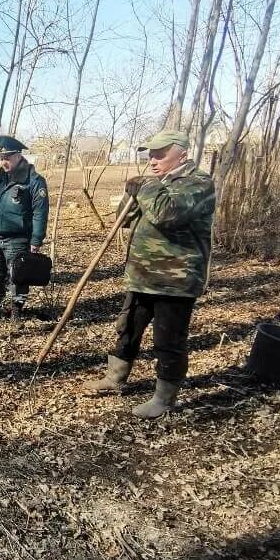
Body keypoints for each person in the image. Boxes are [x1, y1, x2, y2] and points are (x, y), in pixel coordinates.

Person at [84, 130, 216, 418]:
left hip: (174, 281)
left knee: (168, 340)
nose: (152, 160)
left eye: (160, 154)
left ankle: (163, 399)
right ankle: (115, 377)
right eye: (150, 155)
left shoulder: (198, 183)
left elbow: (167, 214)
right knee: (128, 327)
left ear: (181, 153)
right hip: (142, 275)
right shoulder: (158, 183)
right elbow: (127, 219)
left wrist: (145, 186)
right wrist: (130, 194)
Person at [0, 135, 49, 323]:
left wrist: (36, 240)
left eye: (7, 157)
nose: (3, 161)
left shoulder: (33, 181)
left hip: (18, 239)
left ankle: (16, 311)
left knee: (19, 277)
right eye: (1, 158)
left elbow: (40, 212)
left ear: (18, 156)